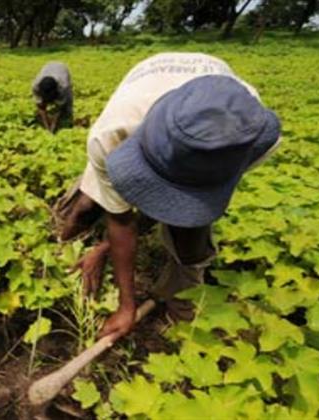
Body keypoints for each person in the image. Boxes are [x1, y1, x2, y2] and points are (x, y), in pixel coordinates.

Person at [56, 53, 281, 337]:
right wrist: (127, 306)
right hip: (141, 100)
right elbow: (121, 219)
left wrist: (107, 248)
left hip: (216, 140)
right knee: (86, 207)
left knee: (191, 241)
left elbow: (173, 205)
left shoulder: (249, 137)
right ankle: (58, 252)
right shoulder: (113, 132)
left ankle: (181, 300)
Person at [32, 61, 73, 133]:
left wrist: (53, 127)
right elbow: (41, 107)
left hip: (61, 69)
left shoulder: (63, 86)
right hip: (48, 67)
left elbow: (58, 110)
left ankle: (68, 121)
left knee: (67, 105)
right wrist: (47, 127)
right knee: (41, 108)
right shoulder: (35, 86)